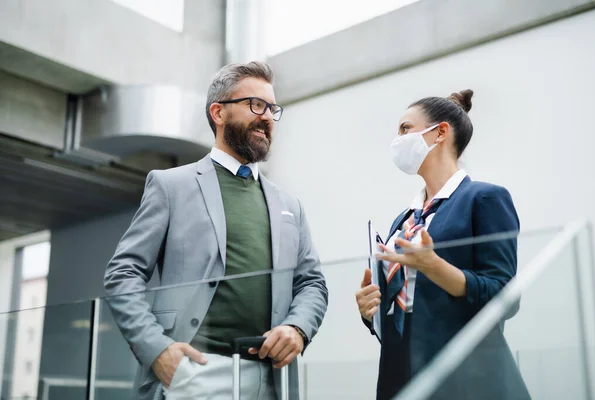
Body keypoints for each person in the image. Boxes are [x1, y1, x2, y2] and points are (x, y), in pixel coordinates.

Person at [104, 61, 328, 400]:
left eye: (272, 109)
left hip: (272, 379)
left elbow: (311, 282)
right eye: (256, 105)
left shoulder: (290, 205)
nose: (267, 116)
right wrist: (157, 349)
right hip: (194, 372)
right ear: (218, 113)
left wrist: (297, 328)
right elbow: (123, 273)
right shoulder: (170, 186)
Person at [355, 90, 530, 400]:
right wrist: (372, 311)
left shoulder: (484, 199)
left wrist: (435, 266)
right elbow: (408, 307)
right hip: (403, 377)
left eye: (405, 129)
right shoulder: (404, 220)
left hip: (468, 379)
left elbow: (506, 297)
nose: (398, 139)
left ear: (440, 133)